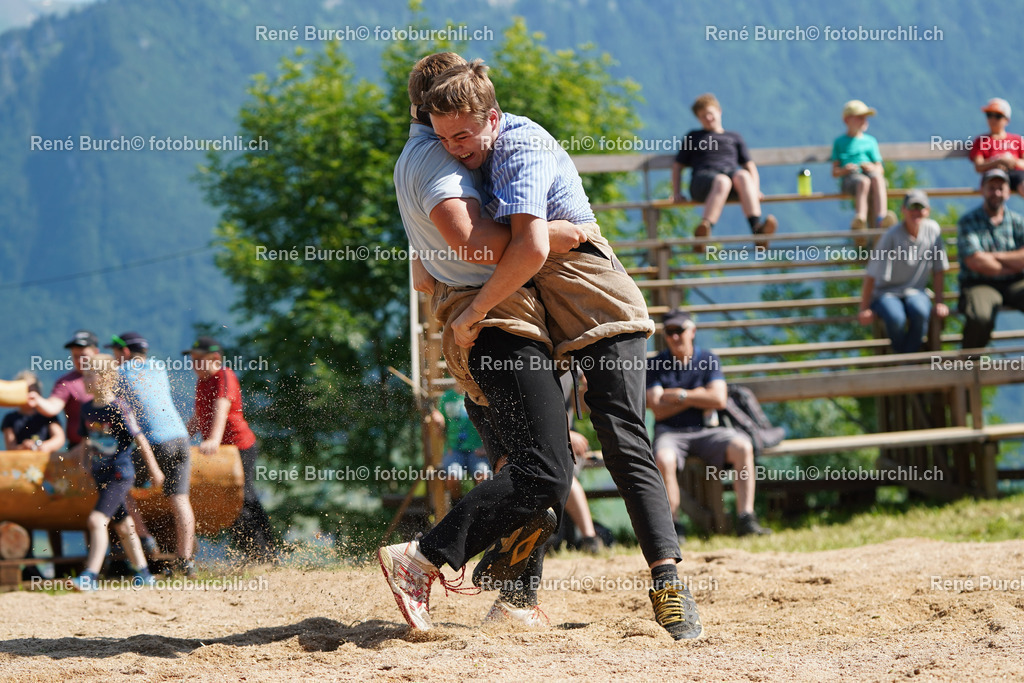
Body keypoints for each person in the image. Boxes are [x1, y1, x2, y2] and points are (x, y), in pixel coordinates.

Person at [424, 58, 701, 639]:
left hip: (593, 298)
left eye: (463, 136)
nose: (453, 149)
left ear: (492, 119)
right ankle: (515, 594)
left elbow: (526, 247)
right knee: (527, 453)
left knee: (622, 438)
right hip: (540, 309)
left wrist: (471, 312)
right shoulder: (464, 157)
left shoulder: (519, 145)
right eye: (442, 138)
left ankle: (669, 583)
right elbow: (505, 247)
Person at [382, 51, 577, 632]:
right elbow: (474, 244)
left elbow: (421, 271)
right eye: (450, 127)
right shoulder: (435, 161)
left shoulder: (422, 155)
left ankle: (516, 600)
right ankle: (422, 558)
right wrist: (555, 235)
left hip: (484, 320)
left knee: (525, 470)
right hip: (497, 322)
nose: (457, 139)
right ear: (434, 109)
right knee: (546, 470)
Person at [646, 310, 771, 537]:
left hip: (708, 431)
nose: (674, 337)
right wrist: (699, 395)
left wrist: (680, 395)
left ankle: (746, 518)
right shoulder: (654, 364)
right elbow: (658, 409)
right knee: (664, 459)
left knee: (743, 447)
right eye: (669, 332)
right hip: (670, 433)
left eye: (679, 331)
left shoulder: (708, 359)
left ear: (692, 331)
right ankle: (673, 528)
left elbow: (719, 399)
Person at [68, 354, 163, 591]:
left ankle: (90, 576)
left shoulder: (119, 407)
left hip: (119, 473)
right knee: (123, 525)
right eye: (85, 374)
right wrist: (82, 465)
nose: (85, 379)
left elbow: (139, 438)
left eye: (91, 374)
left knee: (97, 520)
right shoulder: (87, 408)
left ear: (106, 378)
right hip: (101, 474)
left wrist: (154, 469)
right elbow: (87, 440)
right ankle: (144, 574)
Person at [109, 332, 196, 576]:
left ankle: (146, 538)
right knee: (180, 500)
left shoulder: (121, 373)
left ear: (124, 352)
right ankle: (185, 562)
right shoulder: (158, 367)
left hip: (155, 441)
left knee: (120, 486)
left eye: (116, 353)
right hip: (180, 438)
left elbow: (117, 409)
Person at [183, 336, 276, 563]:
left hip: (239, 448)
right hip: (222, 454)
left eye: (198, 360)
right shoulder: (202, 381)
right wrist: (182, 438)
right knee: (232, 501)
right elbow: (199, 415)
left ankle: (263, 555)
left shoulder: (223, 375)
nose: (194, 365)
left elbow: (221, 406)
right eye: (192, 360)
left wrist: (213, 439)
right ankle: (257, 554)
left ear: (215, 358)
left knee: (242, 499)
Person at [671, 93, 777, 251]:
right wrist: (677, 192)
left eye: (710, 113)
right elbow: (677, 166)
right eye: (702, 116)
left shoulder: (734, 137)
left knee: (742, 175)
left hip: (732, 182)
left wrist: (755, 189)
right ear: (698, 119)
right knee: (722, 181)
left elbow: (750, 166)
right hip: (703, 182)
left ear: (719, 111)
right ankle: (704, 232)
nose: (707, 118)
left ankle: (758, 232)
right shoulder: (693, 137)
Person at [858, 190, 950, 353]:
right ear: (903, 210)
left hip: (917, 291)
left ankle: (905, 360)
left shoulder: (933, 231)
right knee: (895, 318)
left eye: (920, 207)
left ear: (927, 211)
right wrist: (864, 308)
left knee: (921, 312)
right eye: (912, 207)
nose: (916, 212)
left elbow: (938, 270)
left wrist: (939, 302)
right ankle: (908, 359)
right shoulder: (891, 235)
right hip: (886, 292)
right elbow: (871, 273)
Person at [957, 169, 1024, 349]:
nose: (996, 193)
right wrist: (1014, 264)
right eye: (991, 188)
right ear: (982, 190)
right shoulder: (968, 221)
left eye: (1000, 188)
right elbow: (976, 262)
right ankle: (969, 363)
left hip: (1015, 282)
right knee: (980, 317)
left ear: (1009, 192)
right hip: (979, 283)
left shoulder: (1018, 221)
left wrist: (994, 257)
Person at [831, 100, 898, 242]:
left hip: (869, 173)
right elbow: (835, 172)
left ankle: (882, 218)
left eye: (865, 117)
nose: (864, 121)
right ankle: (860, 221)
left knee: (877, 179)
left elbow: (880, 168)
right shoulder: (839, 142)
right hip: (851, 178)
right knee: (864, 181)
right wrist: (845, 170)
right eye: (859, 117)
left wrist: (872, 168)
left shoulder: (871, 141)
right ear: (847, 120)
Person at [429, 387, 490, 500]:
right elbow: (440, 433)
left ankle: (480, 508)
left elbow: (491, 425)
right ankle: (457, 505)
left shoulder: (478, 395)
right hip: (454, 450)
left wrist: (487, 448)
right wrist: (438, 424)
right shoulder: (446, 398)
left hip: (477, 450)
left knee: (484, 476)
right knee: (453, 476)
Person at [970, 98, 1024, 198]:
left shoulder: (1017, 140)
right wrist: (998, 162)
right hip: (992, 175)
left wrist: (1012, 161)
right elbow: (978, 166)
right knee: (994, 189)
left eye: (998, 116)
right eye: (989, 115)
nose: (993, 119)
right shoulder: (981, 141)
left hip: (1016, 174)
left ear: (1007, 120)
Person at [2, 371, 66, 452]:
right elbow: (10, 447)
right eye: (27, 389)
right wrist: (23, 447)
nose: (31, 393)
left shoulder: (47, 415)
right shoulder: (10, 418)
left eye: (34, 387)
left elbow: (59, 439)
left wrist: (44, 446)